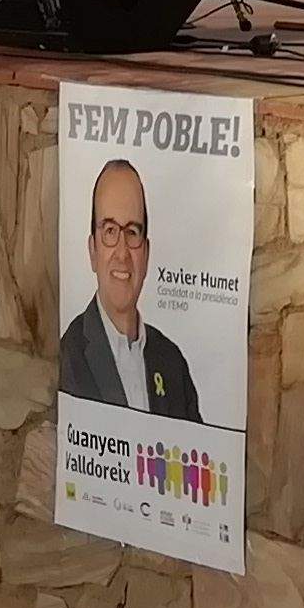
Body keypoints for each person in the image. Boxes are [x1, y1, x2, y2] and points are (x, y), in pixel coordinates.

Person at [52, 156, 201, 421]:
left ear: (146, 251)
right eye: (110, 231)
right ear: (92, 250)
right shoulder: (66, 359)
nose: (122, 252)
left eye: (132, 232)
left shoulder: (173, 363)